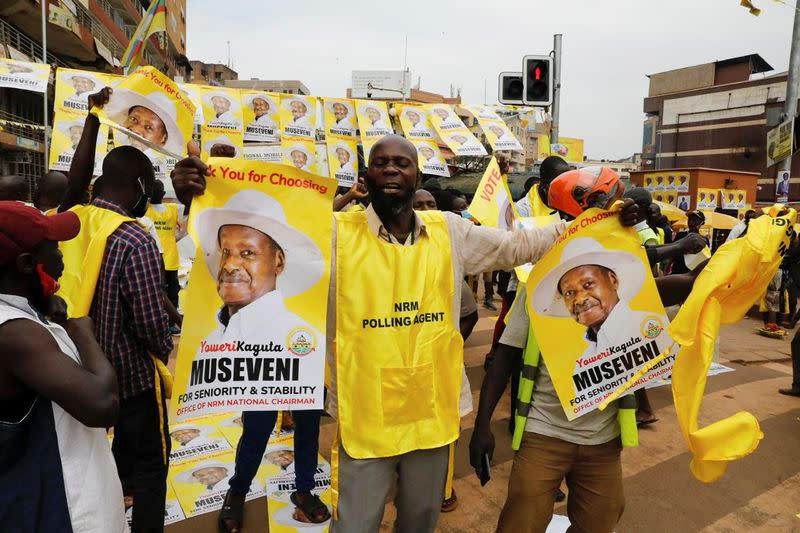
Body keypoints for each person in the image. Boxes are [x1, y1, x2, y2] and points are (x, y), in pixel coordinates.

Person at [169, 134, 639, 533]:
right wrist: (200, 198)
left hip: (431, 420)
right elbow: (251, 243)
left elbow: (518, 244)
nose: (391, 170)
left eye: (402, 163)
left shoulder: (449, 231)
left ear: (417, 176)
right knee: (356, 525)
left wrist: (593, 221)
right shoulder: (333, 234)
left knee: (419, 523)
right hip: (366, 422)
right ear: (367, 177)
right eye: (381, 163)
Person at [469, 168, 705, 533]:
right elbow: (504, 357)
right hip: (544, 434)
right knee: (520, 523)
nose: (581, 300)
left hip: (603, 441)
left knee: (601, 520)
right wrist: (482, 426)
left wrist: (707, 276)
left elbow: (668, 290)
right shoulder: (539, 285)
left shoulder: (622, 279)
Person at [58, 88, 174, 533]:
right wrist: (165, 343)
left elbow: (73, 182)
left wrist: (91, 116)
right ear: (141, 187)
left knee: (95, 465)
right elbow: (147, 326)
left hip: (75, 374)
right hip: (131, 383)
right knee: (148, 472)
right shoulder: (136, 238)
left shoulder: (72, 218)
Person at [193, 188, 330, 529]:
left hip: (302, 366)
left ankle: (303, 489)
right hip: (259, 372)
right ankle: (237, 491)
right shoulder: (214, 333)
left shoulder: (300, 329)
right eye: (226, 252)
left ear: (279, 261)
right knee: (256, 430)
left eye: (248, 253)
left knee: (308, 427)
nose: (231, 264)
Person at [0, 202, 126, 532]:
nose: (62, 258)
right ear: (27, 264)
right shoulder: (15, 333)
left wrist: (41, 303)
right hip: (60, 513)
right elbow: (103, 404)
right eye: (54, 249)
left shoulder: (20, 317)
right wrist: (83, 334)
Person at [145, 179, 182, 328]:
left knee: (167, 291)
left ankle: (168, 323)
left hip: (163, 259)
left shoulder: (171, 208)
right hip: (160, 259)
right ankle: (166, 323)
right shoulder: (149, 209)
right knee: (165, 292)